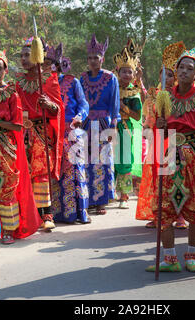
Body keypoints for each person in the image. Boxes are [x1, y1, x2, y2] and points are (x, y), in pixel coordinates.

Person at [145, 48, 195, 273]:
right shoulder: (165, 96)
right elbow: (162, 135)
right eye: (181, 67)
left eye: (190, 68)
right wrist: (160, 127)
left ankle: (191, 255)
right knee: (164, 208)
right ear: (175, 71)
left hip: (194, 159)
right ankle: (169, 259)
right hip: (169, 158)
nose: (185, 71)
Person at [0, 45, 41, 244]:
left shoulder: (12, 94)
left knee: (7, 185)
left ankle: (8, 229)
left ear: (6, 71)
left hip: (7, 146)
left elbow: (17, 125)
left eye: (0, 68)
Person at [135, 41, 187, 229]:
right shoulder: (153, 94)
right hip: (158, 141)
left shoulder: (182, 96)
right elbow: (148, 119)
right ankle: (159, 214)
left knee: (175, 177)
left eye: (171, 74)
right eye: (163, 73)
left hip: (174, 141)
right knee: (159, 178)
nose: (167, 77)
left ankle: (179, 215)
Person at [16, 37, 65, 231]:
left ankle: (47, 214)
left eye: (27, 55)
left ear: (37, 56)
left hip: (40, 132)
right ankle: (29, 215)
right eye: (21, 55)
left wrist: (49, 105)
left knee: (41, 174)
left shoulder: (48, 79)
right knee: (24, 173)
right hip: (22, 133)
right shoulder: (17, 81)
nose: (23, 59)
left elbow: (58, 108)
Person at [43, 42, 91, 224]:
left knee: (75, 171)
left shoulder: (72, 81)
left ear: (58, 63)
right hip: (51, 132)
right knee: (55, 173)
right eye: (44, 64)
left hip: (71, 130)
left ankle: (80, 211)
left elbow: (83, 104)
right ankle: (57, 212)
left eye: (50, 63)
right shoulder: (43, 84)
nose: (47, 67)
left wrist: (80, 116)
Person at [80, 34, 120, 215]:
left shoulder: (111, 78)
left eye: (96, 58)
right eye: (90, 58)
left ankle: (101, 201)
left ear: (102, 59)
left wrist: (113, 125)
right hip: (86, 122)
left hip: (103, 122)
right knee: (86, 161)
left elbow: (114, 104)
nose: (93, 61)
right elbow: (79, 101)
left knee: (102, 162)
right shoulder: (82, 78)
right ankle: (87, 199)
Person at [113, 47, 142, 209]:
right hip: (109, 126)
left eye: (130, 72)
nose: (126, 75)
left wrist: (124, 108)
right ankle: (109, 193)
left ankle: (124, 195)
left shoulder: (133, 92)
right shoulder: (112, 87)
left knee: (124, 159)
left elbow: (137, 116)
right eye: (124, 71)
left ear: (133, 74)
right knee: (108, 159)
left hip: (125, 128)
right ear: (118, 72)